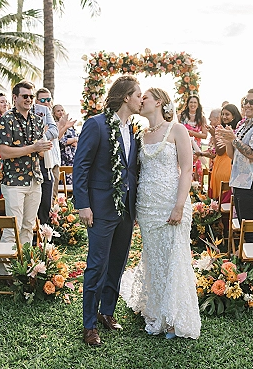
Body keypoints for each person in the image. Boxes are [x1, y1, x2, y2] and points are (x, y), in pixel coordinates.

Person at [121, 88, 201, 339]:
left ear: (159, 102)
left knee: (175, 256)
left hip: (171, 202)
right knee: (154, 258)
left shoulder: (178, 130)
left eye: (144, 97)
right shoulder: (140, 135)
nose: (140, 100)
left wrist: (179, 205)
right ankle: (156, 309)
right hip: (147, 207)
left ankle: (175, 316)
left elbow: (187, 170)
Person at [74, 75, 141, 347]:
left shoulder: (133, 130)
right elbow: (81, 167)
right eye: (138, 94)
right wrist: (83, 205)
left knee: (118, 261)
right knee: (96, 265)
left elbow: (132, 170)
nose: (141, 99)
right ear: (126, 97)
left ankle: (107, 312)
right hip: (100, 208)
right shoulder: (95, 124)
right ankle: (89, 324)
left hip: (126, 207)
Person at [0, 81, 52, 276]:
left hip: (35, 179)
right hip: (14, 182)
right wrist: (34, 148)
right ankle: (5, 272)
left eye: (31, 96)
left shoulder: (37, 120)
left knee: (28, 227)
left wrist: (44, 149)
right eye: (25, 96)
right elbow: (3, 152)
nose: (29, 99)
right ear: (15, 98)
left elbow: (40, 152)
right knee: (13, 227)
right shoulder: (6, 119)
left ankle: (24, 269)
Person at [219, 89, 253, 244]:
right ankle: (247, 262)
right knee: (244, 227)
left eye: (252, 102)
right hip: (239, 181)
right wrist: (228, 140)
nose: (247, 105)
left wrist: (234, 139)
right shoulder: (244, 125)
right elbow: (232, 155)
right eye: (245, 101)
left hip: (252, 184)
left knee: (250, 230)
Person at [205, 104, 241, 200]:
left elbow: (219, 151)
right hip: (219, 165)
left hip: (227, 166)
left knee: (223, 199)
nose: (224, 117)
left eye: (227, 114)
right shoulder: (224, 129)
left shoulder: (231, 132)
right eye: (223, 114)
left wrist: (213, 135)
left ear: (234, 116)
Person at [33, 88, 58, 224]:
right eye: (43, 100)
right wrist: (36, 142)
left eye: (48, 100)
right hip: (28, 161)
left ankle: (44, 229)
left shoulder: (45, 111)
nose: (46, 102)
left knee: (47, 196)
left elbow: (54, 131)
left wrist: (40, 138)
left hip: (45, 160)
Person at [179, 95, 207, 188]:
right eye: (191, 102)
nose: (193, 104)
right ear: (187, 104)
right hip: (183, 147)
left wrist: (192, 133)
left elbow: (205, 135)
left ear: (198, 105)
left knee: (195, 172)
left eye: (195, 102)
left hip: (196, 149)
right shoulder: (181, 117)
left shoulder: (201, 118)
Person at [53, 104, 78, 186]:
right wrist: (74, 139)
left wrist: (75, 140)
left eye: (62, 110)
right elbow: (62, 141)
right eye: (58, 111)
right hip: (63, 158)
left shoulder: (70, 125)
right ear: (54, 113)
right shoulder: (56, 125)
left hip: (72, 157)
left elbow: (78, 137)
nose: (61, 112)